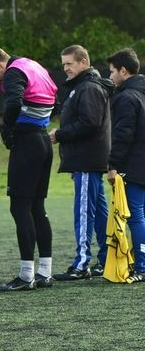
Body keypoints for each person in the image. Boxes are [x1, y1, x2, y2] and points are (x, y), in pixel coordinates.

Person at [0, 47, 58, 291]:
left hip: (27, 143)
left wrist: (7, 130)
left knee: (19, 206)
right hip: (43, 140)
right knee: (37, 207)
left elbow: (13, 102)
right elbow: (55, 96)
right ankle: (45, 272)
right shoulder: (35, 65)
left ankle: (26, 275)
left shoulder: (13, 71)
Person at [49, 45, 113, 280]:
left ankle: (82, 263)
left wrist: (60, 135)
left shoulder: (88, 88)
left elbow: (90, 122)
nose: (65, 68)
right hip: (89, 159)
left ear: (84, 62)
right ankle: (106, 258)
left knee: (84, 211)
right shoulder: (85, 86)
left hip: (88, 159)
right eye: (63, 64)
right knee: (99, 212)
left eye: (69, 64)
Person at [106, 48, 145, 281]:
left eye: (111, 72)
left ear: (123, 70)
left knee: (136, 216)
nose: (110, 76)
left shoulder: (126, 97)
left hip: (136, 164)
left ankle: (142, 266)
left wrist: (113, 165)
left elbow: (123, 135)